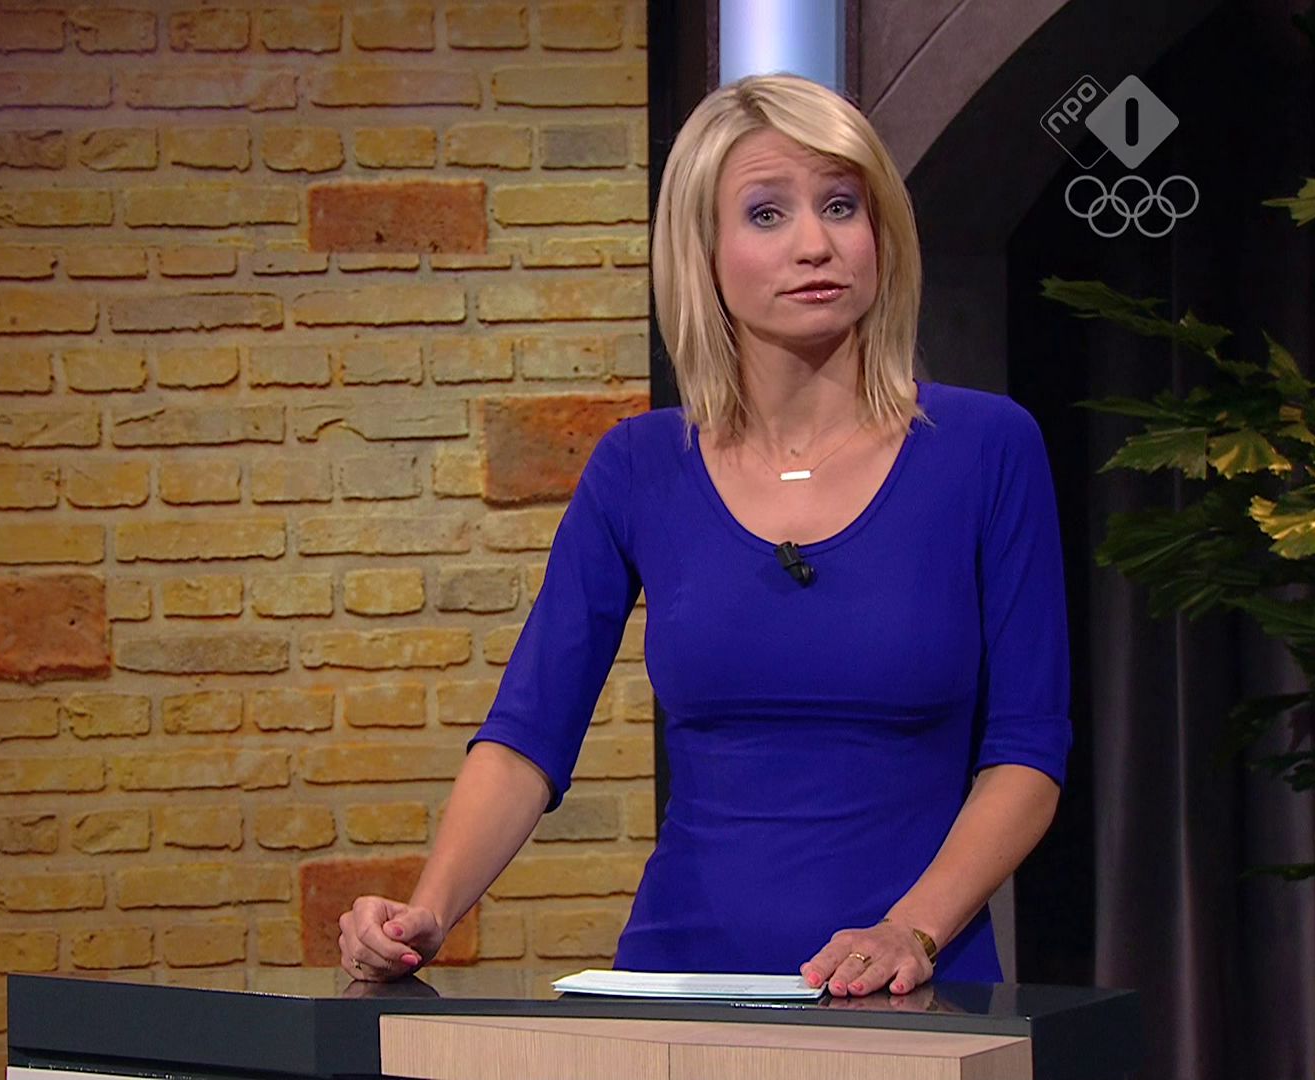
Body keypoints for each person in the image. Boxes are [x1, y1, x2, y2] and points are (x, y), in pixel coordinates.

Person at [336, 72, 1071, 999]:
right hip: (682, 989)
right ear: (704, 252)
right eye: (767, 214)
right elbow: (528, 733)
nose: (815, 243)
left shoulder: (987, 448)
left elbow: (1029, 754)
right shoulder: (639, 466)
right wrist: (429, 912)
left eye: (841, 205)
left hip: (909, 993)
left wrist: (910, 930)